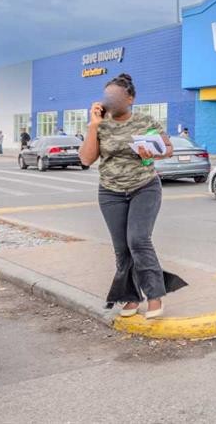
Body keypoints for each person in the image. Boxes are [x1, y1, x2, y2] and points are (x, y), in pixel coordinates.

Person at [78, 73, 187, 320]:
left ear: (130, 98)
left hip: (144, 187)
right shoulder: (100, 125)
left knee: (138, 239)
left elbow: (168, 148)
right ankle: (130, 297)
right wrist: (93, 125)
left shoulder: (145, 121)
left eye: (115, 95)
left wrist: (156, 152)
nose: (110, 100)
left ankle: (155, 295)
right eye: (107, 96)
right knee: (122, 249)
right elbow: (86, 159)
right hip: (110, 192)